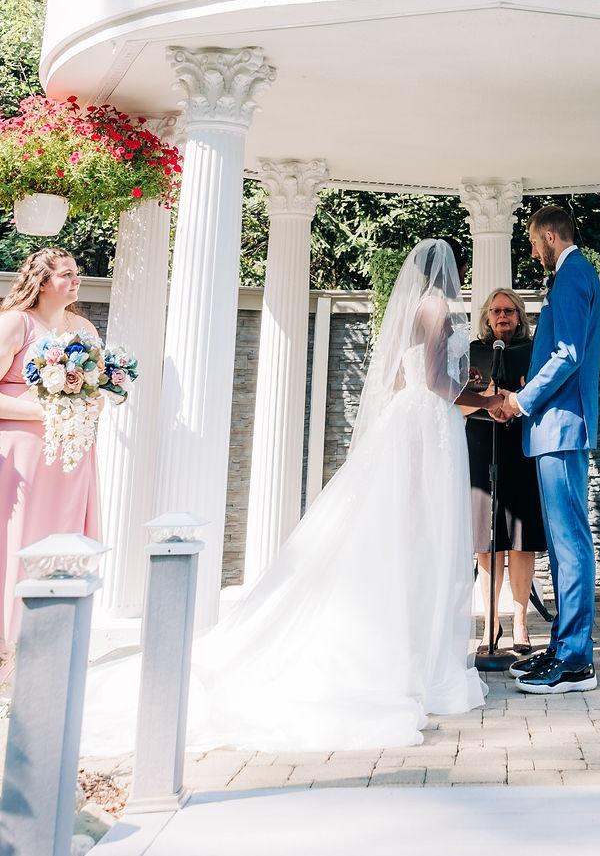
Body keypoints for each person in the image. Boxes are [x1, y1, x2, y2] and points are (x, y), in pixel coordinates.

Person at [82, 240, 504, 753]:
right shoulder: (437, 308)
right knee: (424, 535)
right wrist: (487, 399)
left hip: (411, 418)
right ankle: (419, 660)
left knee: (407, 532)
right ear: (453, 267)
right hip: (428, 424)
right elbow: (437, 382)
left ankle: (411, 651)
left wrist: (460, 391)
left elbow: (402, 376)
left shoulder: (416, 309)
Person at [497, 206, 600, 695]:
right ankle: (563, 646)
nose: (533, 250)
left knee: (570, 543)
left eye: (534, 241)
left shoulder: (573, 274)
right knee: (562, 547)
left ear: (552, 237)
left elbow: (568, 354)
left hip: (560, 427)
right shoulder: (570, 275)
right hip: (553, 429)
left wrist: (522, 400)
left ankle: (576, 660)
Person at [0, 248, 102, 684]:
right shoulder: (15, 324)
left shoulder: (84, 329)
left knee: (65, 538)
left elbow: (98, 391)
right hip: (22, 457)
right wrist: (43, 412)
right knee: (18, 541)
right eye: (66, 274)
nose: (76, 280)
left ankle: (57, 643)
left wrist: (90, 404)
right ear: (42, 282)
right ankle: (8, 650)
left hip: (71, 455)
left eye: (77, 274)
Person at [465, 289, 545, 655]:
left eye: (510, 311)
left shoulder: (534, 351)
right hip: (483, 449)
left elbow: (542, 396)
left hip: (522, 449)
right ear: (487, 315)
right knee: (488, 540)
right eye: (496, 310)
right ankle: (490, 623)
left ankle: (521, 622)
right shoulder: (473, 352)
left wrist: (516, 400)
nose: (503, 316)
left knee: (521, 539)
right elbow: (456, 401)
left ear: (520, 316)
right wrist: (488, 400)